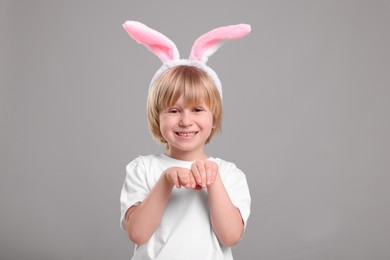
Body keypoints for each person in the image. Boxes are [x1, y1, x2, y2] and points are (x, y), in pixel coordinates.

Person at [120, 21, 251, 260]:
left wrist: (213, 181)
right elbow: (137, 234)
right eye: (173, 110)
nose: (185, 120)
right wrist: (165, 181)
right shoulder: (143, 168)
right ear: (156, 117)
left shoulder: (229, 174)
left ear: (214, 119)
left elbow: (231, 236)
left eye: (198, 109)